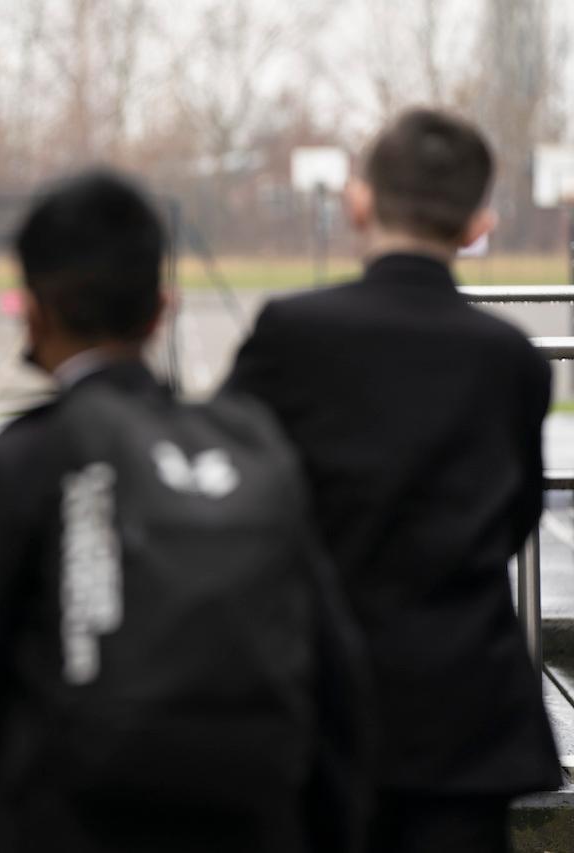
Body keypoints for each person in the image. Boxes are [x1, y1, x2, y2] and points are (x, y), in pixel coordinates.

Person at [0, 171, 368, 853]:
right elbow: (339, 691)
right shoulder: (256, 449)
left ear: (35, 313)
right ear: (161, 308)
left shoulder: (20, 464)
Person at [226, 108, 562, 853]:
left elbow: (234, 498)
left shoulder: (292, 332)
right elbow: (513, 520)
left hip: (321, 699)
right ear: (478, 223)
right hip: (468, 716)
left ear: (358, 201)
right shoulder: (511, 361)